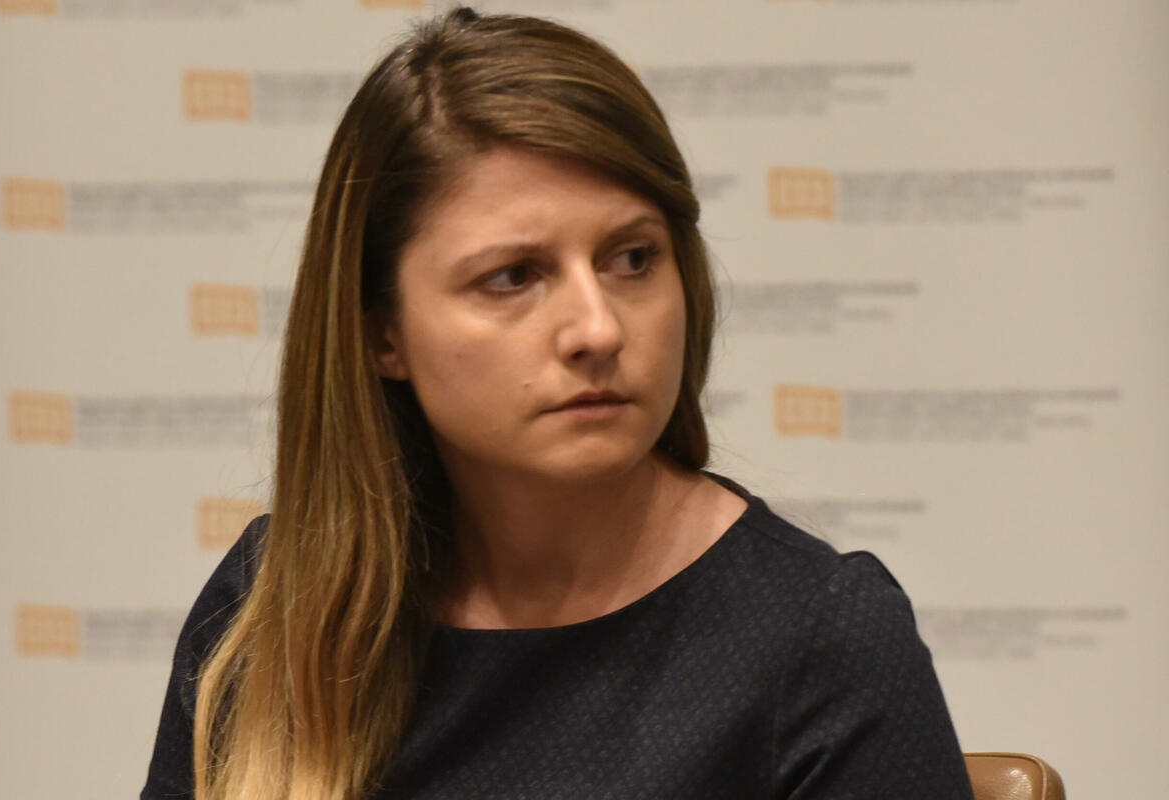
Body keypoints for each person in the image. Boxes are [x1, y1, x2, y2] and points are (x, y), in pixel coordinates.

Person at [142, 7, 975, 799]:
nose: (597, 329)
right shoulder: (276, 603)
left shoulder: (820, 638)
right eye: (513, 277)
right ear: (382, 334)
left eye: (633, 259)